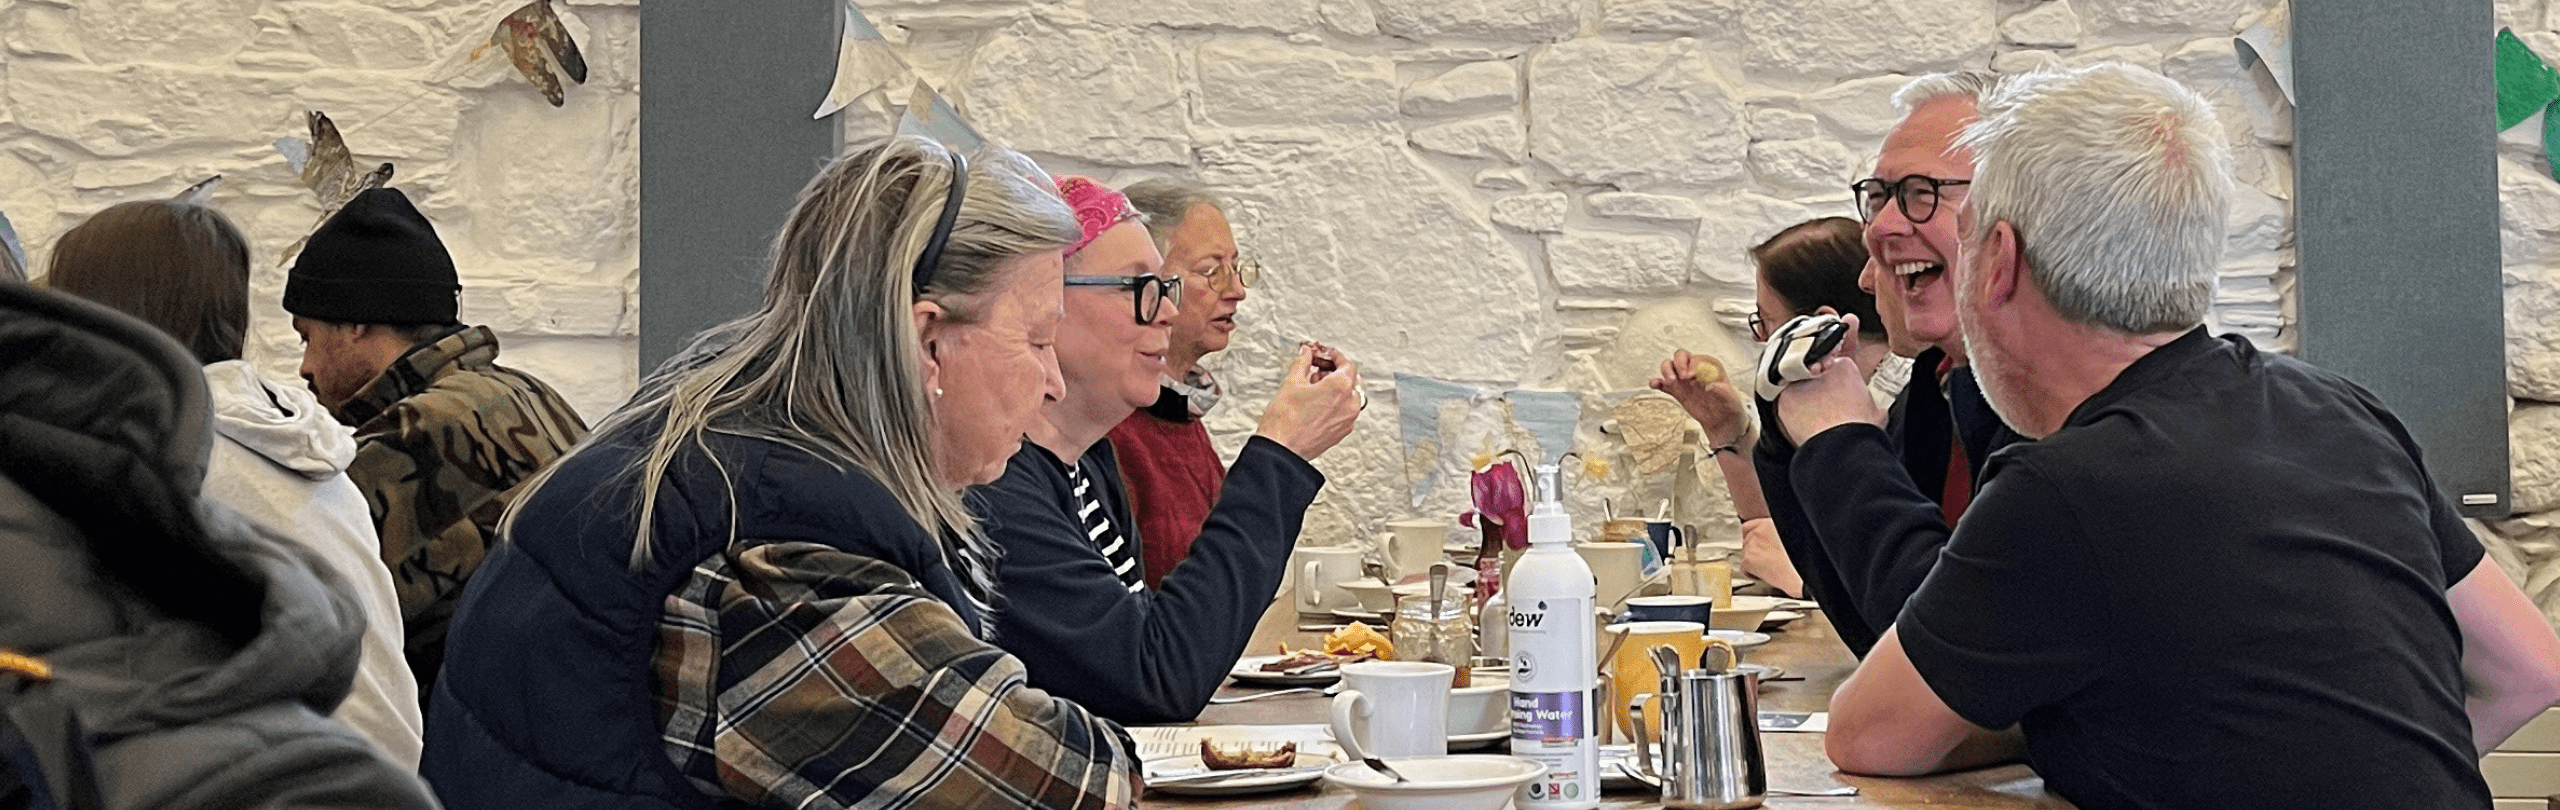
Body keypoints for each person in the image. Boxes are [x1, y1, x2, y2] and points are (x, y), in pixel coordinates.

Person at [1824, 63, 2560, 809]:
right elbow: (2530, 669)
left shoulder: (2065, 488)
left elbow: (1868, 738)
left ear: (2000, 262)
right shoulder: (2343, 412)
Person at [422, 137, 1141, 809]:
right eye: (1040, 339)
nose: (1053, 381)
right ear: (928, 340)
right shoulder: (780, 565)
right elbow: (1062, 780)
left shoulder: (717, 453)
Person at [0, 282, 440, 809]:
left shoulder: (203, 464)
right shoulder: (324, 451)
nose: (303, 368)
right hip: (400, 743)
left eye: (307, 337)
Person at [973, 176, 1362, 725]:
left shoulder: (1087, 462)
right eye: (1141, 290)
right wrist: (1280, 452)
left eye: (1166, 289)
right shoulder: (995, 487)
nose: (1168, 314)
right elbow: (1156, 678)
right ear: (1044, 306)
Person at [1743, 72, 2025, 657]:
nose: (1881, 231)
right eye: (1879, 198)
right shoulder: (1937, 393)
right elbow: (1874, 630)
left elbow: (1947, 652)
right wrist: (1784, 441)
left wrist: (1841, 441)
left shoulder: (2055, 413)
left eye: (1922, 192)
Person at [282, 186, 589, 697]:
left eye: (306, 336)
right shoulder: (528, 392)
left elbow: (305, 612)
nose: (305, 367)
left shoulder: (420, 431)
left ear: (357, 322)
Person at [1652, 217, 1894, 598]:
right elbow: (1768, 530)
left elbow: (1900, 586)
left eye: (1766, 323)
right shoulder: (1826, 403)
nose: (1759, 339)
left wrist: (1805, 582)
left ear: (1820, 328)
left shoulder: (1894, 414)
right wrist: (1725, 428)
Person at [1109, 178, 1255, 588]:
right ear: (1148, 285)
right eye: (1210, 272)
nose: (1238, 291)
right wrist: (1282, 447)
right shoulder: (1113, 429)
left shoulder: (1180, 411)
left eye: (1236, 268)